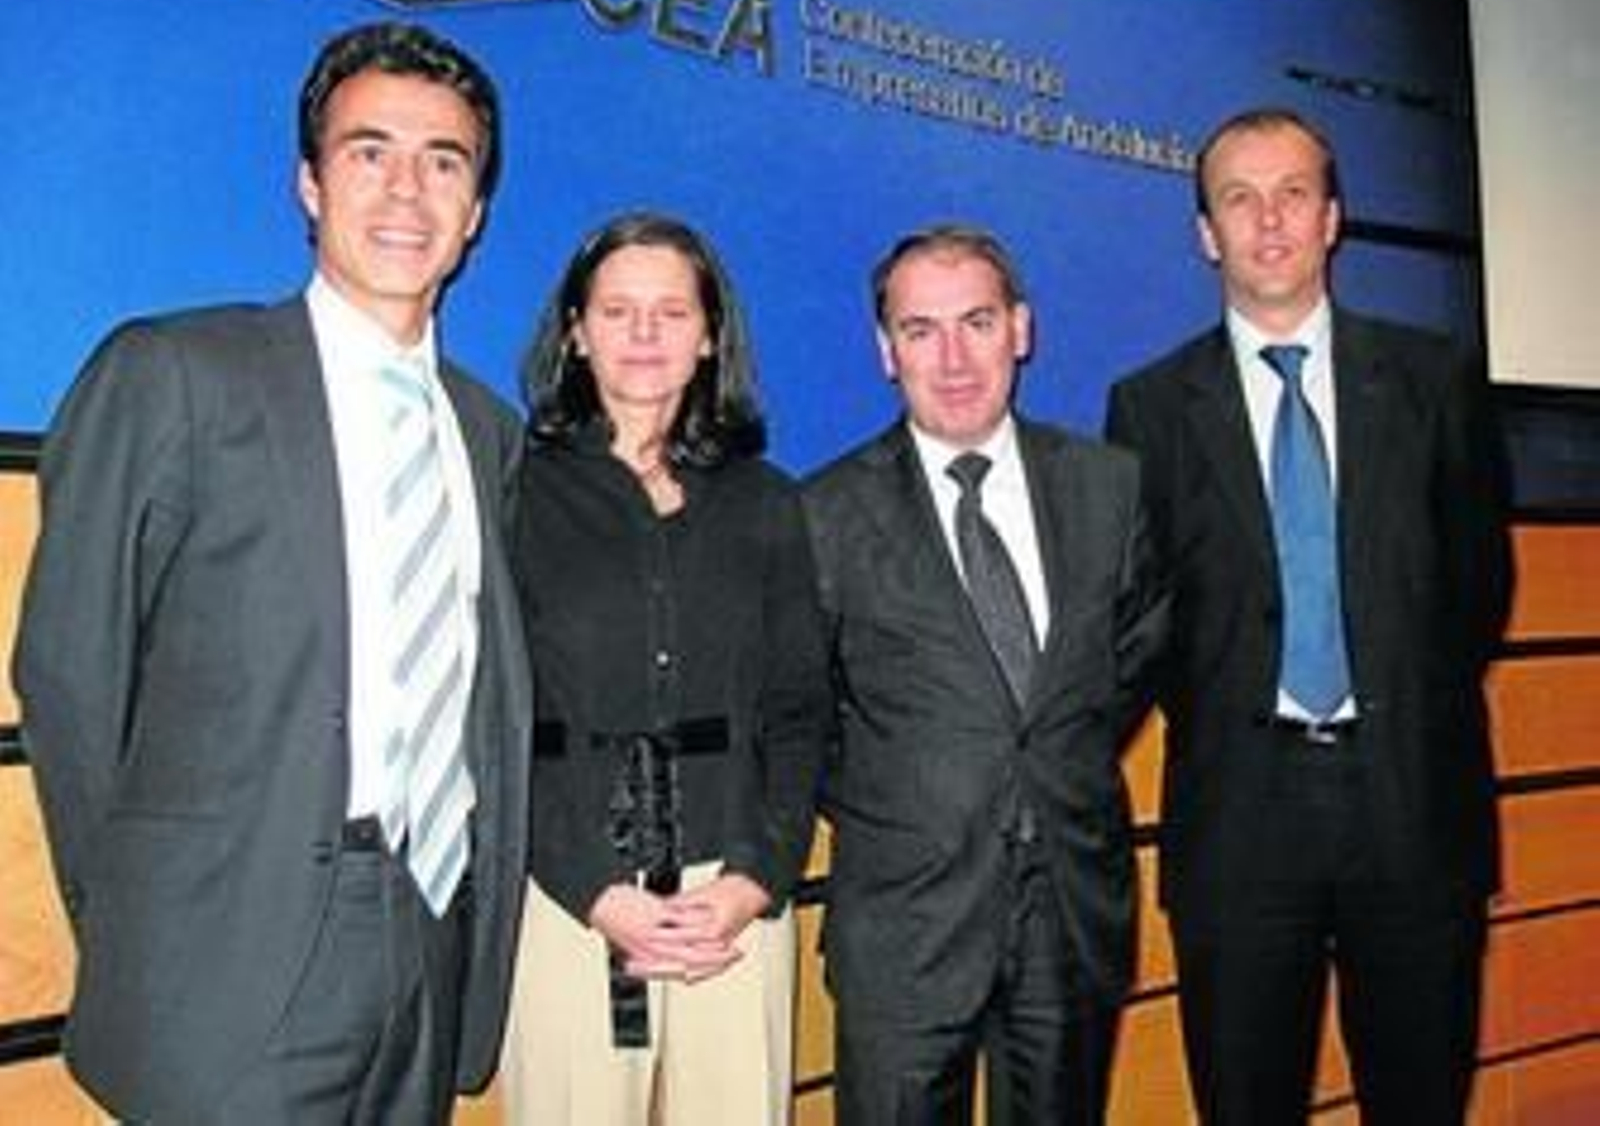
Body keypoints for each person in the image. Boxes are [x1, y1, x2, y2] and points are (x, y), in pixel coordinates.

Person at [13, 21, 532, 1124]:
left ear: (476, 210)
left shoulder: (487, 430)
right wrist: (144, 921)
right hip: (227, 956)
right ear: (309, 182)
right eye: (368, 152)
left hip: (427, 933)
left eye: (444, 162)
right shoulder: (175, 373)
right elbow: (69, 673)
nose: (407, 191)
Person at [1104, 106, 1511, 1124]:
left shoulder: (1433, 379)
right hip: (1240, 821)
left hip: (1412, 805)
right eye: (1239, 199)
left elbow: (1478, 589)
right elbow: (1144, 623)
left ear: (1332, 218)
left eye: (1293, 194)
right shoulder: (1148, 408)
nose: (1270, 221)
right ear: (1207, 234)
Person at [803, 224, 1168, 1125]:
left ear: (1021, 328)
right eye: (920, 329)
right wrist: (915, 795)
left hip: (1069, 918)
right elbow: (805, 718)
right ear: (886, 351)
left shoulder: (1110, 486)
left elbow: (1127, 661)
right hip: (906, 926)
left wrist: (1043, 763)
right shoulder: (824, 514)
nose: (954, 357)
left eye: (977, 321)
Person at [499, 210, 831, 1126]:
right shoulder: (514, 492)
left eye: (672, 312)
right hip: (571, 893)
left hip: (732, 897)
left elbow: (800, 710)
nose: (644, 333)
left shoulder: (767, 502)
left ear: (710, 335)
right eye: (617, 310)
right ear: (576, 331)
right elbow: (495, 716)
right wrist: (590, 887)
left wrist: (755, 879)